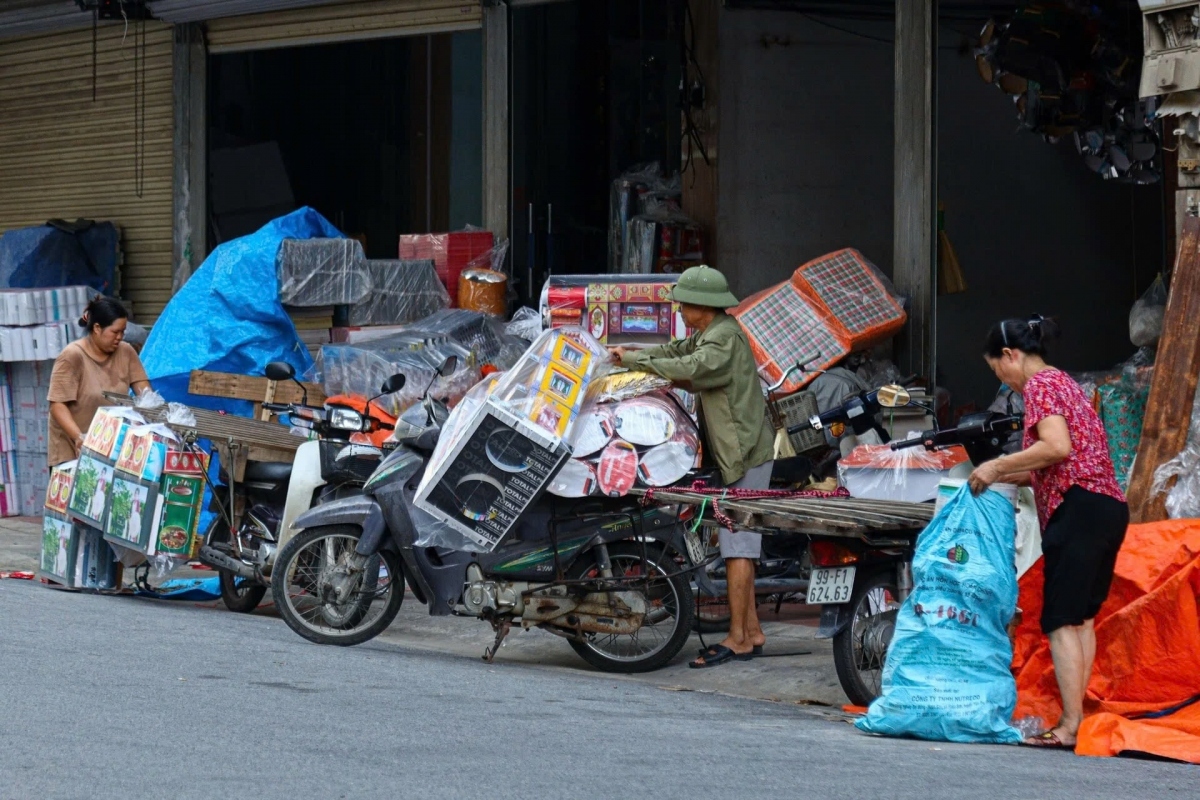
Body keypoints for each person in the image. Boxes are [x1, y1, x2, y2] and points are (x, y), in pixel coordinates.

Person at [967, 315, 1128, 749]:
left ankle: (1071, 724)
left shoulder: (1040, 385)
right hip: (1107, 508)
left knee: (1059, 620)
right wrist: (1002, 477)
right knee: (1080, 619)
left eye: (996, 370)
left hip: (1078, 510)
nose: (1002, 380)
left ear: (1009, 355)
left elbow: (1057, 447)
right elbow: (1056, 461)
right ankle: (1078, 717)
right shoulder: (1064, 383)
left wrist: (998, 464)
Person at [608, 265, 775, 668]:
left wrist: (636, 361)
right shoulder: (710, 334)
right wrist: (631, 355)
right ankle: (751, 633)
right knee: (739, 547)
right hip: (736, 451)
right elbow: (677, 354)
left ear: (704, 305)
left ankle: (737, 639)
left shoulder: (724, 340)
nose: (680, 309)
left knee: (738, 548)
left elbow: (692, 369)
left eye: (684, 303)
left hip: (746, 452)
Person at [48, 297, 151, 466]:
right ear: (97, 328)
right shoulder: (72, 356)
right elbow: (57, 405)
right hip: (72, 453)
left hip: (110, 449)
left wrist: (156, 416)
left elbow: (145, 394)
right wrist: (79, 438)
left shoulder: (126, 351)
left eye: (123, 332)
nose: (120, 337)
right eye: (115, 332)